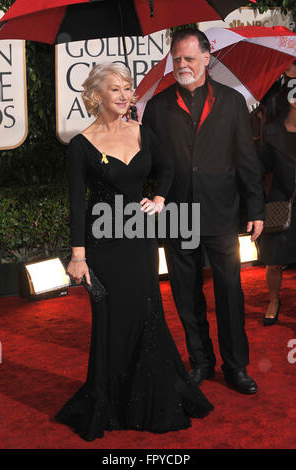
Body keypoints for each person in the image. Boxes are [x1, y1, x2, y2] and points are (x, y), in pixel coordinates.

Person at [54, 62, 213, 441]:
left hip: (140, 240)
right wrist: (78, 255)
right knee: (110, 319)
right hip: (103, 245)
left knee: (147, 313)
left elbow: (169, 167)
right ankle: (110, 399)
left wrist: (158, 199)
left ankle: (148, 395)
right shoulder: (81, 144)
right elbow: (77, 203)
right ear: (96, 96)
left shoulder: (142, 132)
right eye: (115, 89)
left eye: (127, 88)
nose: (125, 95)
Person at [143, 28, 265, 395]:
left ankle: (236, 366)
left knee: (230, 291)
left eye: (189, 58)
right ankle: (201, 361)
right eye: (176, 59)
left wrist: (256, 208)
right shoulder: (157, 107)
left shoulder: (231, 102)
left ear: (207, 57)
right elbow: (149, 164)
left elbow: (247, 160)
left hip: (221, 212)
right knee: (185, 292)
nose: (182, 65)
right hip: (177, 215)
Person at [259, 89, 296, 326]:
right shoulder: (271, 131)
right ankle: (274, 301)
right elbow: (261, 167)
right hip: (282, 200)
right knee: (274, 259)